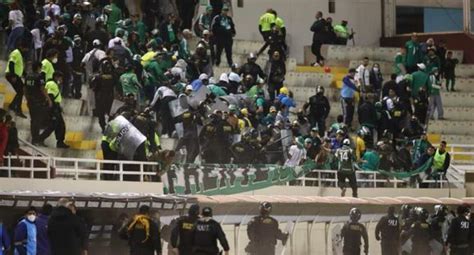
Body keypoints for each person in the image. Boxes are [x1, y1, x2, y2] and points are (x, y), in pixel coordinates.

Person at [36, 71, 69, 148]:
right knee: (53, 125)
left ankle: (60, 142)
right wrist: (55, 109)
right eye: (60, 78)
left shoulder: (52, 84)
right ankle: (40, 138)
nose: (61, 80)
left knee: (60, 125)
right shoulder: (52, 84)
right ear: (56, 77)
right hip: (53, 108)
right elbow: (50, 96)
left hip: (55, 107)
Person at [5, 40, 29, 118]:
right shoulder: (16, 53)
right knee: (21, 91)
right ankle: (17, 110)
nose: (26, 50)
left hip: (16, 75)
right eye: (25, 49)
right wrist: (13, 76)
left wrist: (25, 75)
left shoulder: (19, 54)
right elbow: (11, 63)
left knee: (20, 91)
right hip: (12, 75)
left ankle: (13, 106)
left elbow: (19, 67)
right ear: (21, 47)